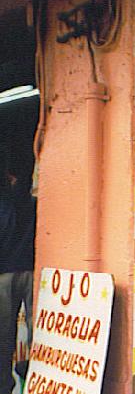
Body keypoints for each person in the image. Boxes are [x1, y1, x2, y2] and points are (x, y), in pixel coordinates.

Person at [0, 159, 36, 394]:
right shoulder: (34, 203)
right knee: (39, 332)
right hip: (33, 272)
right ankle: (34, 377)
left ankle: (5, 386)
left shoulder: (4, 203)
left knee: (3, 338)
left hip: (4, 275)